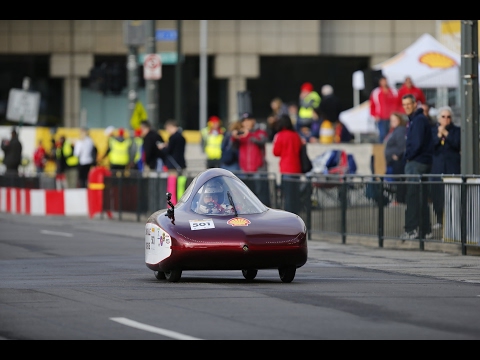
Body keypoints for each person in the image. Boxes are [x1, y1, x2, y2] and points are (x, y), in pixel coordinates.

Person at [400, 94, 433, 241]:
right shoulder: (416, 120)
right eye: (404, 104)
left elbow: (417, 143)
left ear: (415, 104)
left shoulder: (418, 120)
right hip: (419, 162)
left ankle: (411, 229)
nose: (406, 107)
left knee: (413, 197)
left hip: (417, 163)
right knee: (421, 197)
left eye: (409, 104)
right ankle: (425, 230)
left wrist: (408, 156)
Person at [429, 106, 461, 230]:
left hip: (452, 167)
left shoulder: (456, 130)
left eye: (448, 117)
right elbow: (431, 146)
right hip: (438, 167)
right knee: (437, 195)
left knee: (453, 194)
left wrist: (446, 134)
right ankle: (439, 219)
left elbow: (457, 144)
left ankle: (452, 220)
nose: (446, 119)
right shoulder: (433, 130)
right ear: (439, 118)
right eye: (443, 117)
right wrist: (438, 135)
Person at [232, 112, 270, 206]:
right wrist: (234, 137)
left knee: (259, 197)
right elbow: (232, 146)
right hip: (244, 170)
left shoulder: (260, 131)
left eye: (248, 120)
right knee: (245, 197)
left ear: (253, 121)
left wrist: (249, 134)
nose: (246, 123)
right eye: (244, 121)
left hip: (257, 171)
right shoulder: (241, 133)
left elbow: (262, 140)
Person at [272, 114, 303, 213]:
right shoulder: (296, 135)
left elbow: (276, 152)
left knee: (287, 196)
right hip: (296, 168)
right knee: (295, 195)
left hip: (286, 168)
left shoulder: (280, 135)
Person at [383, 112, 407, 204]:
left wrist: (396, 155)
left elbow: (402, 145)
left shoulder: (400, 130)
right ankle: (399, 199)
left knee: (399, 181)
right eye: (391, 120)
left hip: (398, 161)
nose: (392, 122)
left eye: (395, 120)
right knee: (397, 181)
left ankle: (400, 200)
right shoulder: (394, 130)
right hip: (393, 161)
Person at [369, 75, 399, 143]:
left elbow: (397, 103)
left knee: (392, 135)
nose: (384, 82)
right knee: (382, 134)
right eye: (383, 81)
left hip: (392, 117)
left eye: (385, 81)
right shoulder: (376, 92)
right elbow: (372, 105)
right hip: (381, 117)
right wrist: (374, 115)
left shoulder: (393, 91)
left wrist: (397, 114)